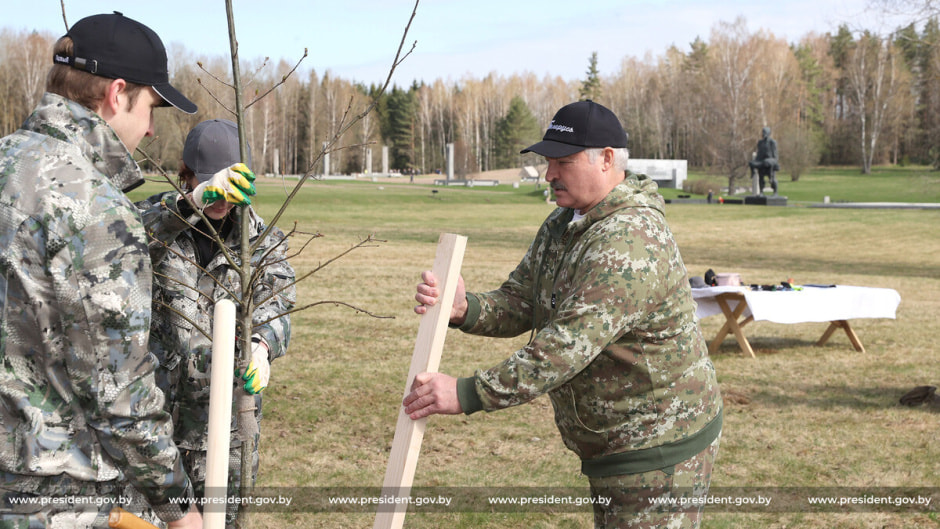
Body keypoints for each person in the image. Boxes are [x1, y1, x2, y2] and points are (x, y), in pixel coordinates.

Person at [405, 100, 723, 528]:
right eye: (547, 162)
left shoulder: (628, 241)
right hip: (616, 444)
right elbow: (524, 299)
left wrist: (467, 393)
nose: (549, 174)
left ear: (606, 159)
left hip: (659, 448)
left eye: (563, 162)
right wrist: (466, 308)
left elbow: (562, 350)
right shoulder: (564, 223)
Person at [0, 12, 203, 529]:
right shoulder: (94, 206)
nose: (151, 128)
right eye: (150, 106)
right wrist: (179, 508)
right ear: (116, 94)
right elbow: (121, 394)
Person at [137, 119, 295, 528]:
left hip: (225, 431)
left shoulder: (262, 243)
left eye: (229, 187)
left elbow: (278, 305)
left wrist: (262, 347)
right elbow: (129, 241)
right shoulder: (157, 223)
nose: (222, 200)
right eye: (211, 185)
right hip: (156, 427)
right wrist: (191, 203)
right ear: (187, 175)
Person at [748, 126, 779, 195]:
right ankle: (753, 175)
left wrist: (772, 161)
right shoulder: (760, 143)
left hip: (770, 161)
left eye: (764, 132)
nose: (763, 134)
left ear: (768, 133)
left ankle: (775, 190)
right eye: (763, 132)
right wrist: (754, 162)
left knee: (766, 163)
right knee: (752, 163)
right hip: (762, 161)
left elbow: (775, 156)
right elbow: (759, 155)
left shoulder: (772, 142)